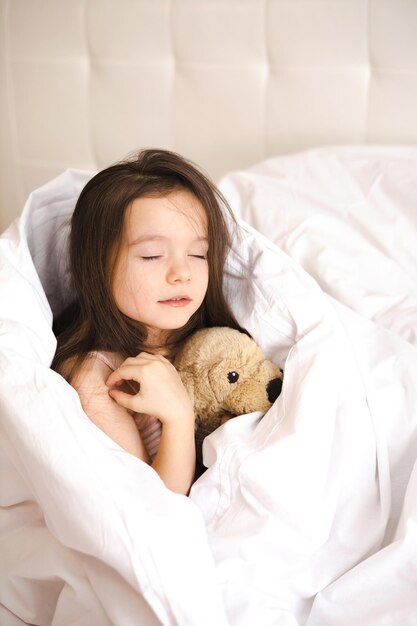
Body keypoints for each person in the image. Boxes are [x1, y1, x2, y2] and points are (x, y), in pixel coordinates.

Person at [52, 148, 244, 495]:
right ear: (97, 264)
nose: (181, 273)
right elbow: (155, 504)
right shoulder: (98, 378)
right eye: (152, 255)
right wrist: (178, 417)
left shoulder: (213, 338)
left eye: (198, 254)